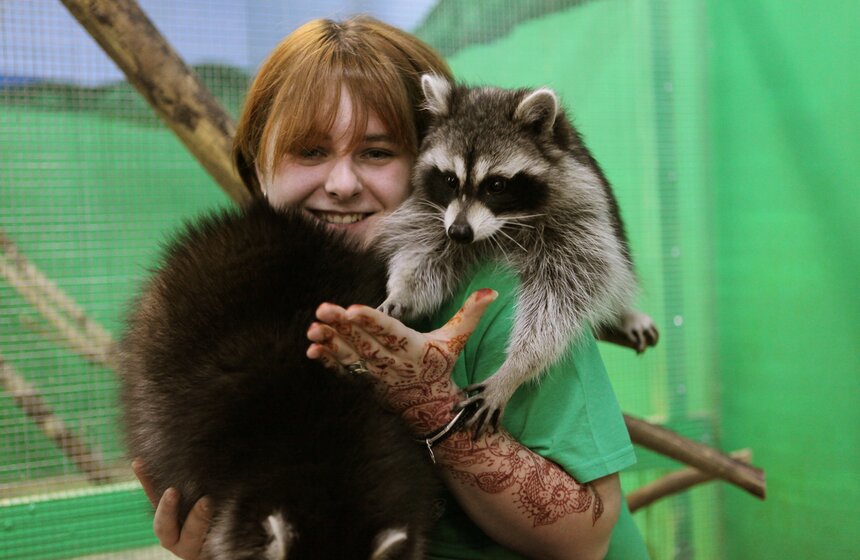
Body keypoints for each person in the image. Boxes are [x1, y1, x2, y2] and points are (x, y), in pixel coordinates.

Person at [132, 15, 651, 560]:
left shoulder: (496, 295)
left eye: (377, 153)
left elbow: (587, 539)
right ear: (257, 164)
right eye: (309, 152)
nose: (340, 184)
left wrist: (429, 402)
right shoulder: (243, 291)